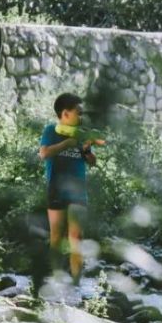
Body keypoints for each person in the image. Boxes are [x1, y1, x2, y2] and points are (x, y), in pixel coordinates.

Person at [38, 93, 97, 284]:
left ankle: (76, 284)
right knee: (56, 237)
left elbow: (92, 162)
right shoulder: (50, 131)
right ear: (65, 113)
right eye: (78, 113)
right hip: (56, 189)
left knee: (76, 238)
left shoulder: (81, 134)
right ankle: (55, 280)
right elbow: (44, 154)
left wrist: (87, 151)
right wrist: (65, 144)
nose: (81, 117)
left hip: (79, 192)